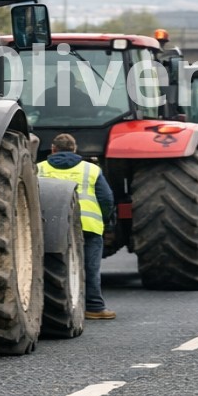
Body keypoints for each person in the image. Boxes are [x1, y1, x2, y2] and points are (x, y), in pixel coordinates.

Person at [37, 133, 116, 320]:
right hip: (88, 225)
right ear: (75, 149)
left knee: (49, 265)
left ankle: (50, 307)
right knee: (90, 266)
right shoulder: (91, 169)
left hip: (50, 227)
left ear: (53, 149)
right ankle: (94, 307)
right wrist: (103, 219)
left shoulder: (38, 168)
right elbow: (106, 199)